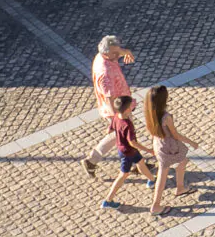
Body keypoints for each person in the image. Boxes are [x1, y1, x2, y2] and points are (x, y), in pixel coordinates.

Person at [82, 35, 137, 176]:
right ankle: (136, 163)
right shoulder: (105, 73)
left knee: (120, 135)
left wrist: (127, 52)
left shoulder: (106, 55)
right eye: (115, 53)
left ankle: (136, 163)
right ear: (105, 53)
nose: (118, 55)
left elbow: (118, 51)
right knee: (124, 135)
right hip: (117, 109)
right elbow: (110, 99)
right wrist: (118, 118)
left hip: (123, 104)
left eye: (117, 51)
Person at [144, 85, 198, 216]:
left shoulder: (149, 112)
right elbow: (176, 135)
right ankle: (156, 205)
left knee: (183, 161)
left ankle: (180, 187)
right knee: (163, 176)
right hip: (170, 147)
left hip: (159, 145)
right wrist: (192, 142)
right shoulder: (166, 117)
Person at [98, 93, 150, 209]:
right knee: (123, 175)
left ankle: (151, 180)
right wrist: (149, 150)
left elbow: (109, 129)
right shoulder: (127, 124)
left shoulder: (116, 115)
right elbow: (132, 142)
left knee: (140, 162)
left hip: (124, 149)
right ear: (127, 109)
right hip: (128, 152)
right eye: (131, 105)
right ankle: (108, 200)